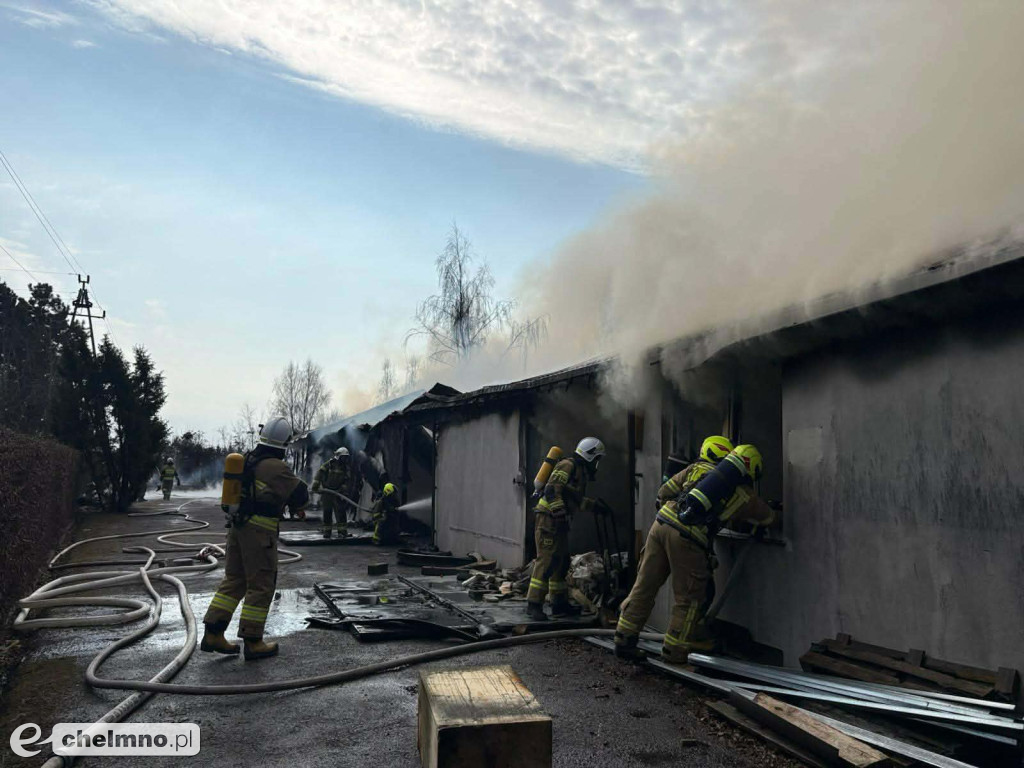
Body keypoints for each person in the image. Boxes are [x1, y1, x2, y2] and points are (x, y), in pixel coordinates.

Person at [614, 440, 776, 663]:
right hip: (688, 538)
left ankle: (624, 638)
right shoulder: (743, 494)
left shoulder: (696, 468)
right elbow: (767, 517)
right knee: (689, 599)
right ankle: (674, 653)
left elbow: (663, 492)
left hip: (660, 525)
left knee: (644, 585)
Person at [199, 416, 309, 661]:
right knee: (261, 583)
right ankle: (253, 640)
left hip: (238, 528)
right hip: (259, 534)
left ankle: (213, 633)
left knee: (235, 580)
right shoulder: (276, 467)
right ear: (284, 442)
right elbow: (300, 495)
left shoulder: (248, 459)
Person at [525, 436, 605, 621]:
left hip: (558, 521)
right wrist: (559, 513)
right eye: (597, 458)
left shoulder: (580, 471)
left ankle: (559, 604)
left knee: (560, 563)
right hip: (549, 520)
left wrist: (596, 507)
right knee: (546, 561)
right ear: (590, 455)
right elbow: (551, 491)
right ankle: (533, 604)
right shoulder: (568, 465)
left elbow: (575, 501)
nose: (597, 463)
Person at [311, 447, 352, 538]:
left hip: (338, 492)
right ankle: (327, 532)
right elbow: (319, 476)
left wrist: (343, 490)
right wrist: (315, 487)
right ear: (338, 456)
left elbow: (347, 480)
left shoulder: (345, 468)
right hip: (327, 492)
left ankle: (342, 532)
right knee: (327, 512)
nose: (345, 459)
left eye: (346, 457)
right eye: (343, 457)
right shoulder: (328, 465)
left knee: (341, 512)